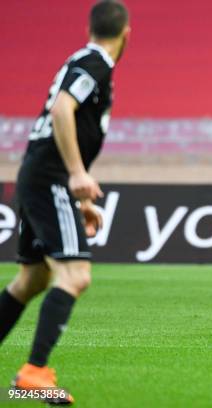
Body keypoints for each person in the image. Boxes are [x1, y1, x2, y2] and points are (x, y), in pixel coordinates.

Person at [0, 1, 130, 403]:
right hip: (51, 178)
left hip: (38, 175)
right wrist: (75, 175)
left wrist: (75, 193)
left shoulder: (79, 58)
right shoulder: (97, 64)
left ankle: (33, 375)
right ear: (126, 34)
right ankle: (33, 373)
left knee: (32, 279)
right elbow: (61, 109)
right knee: (75, 276)